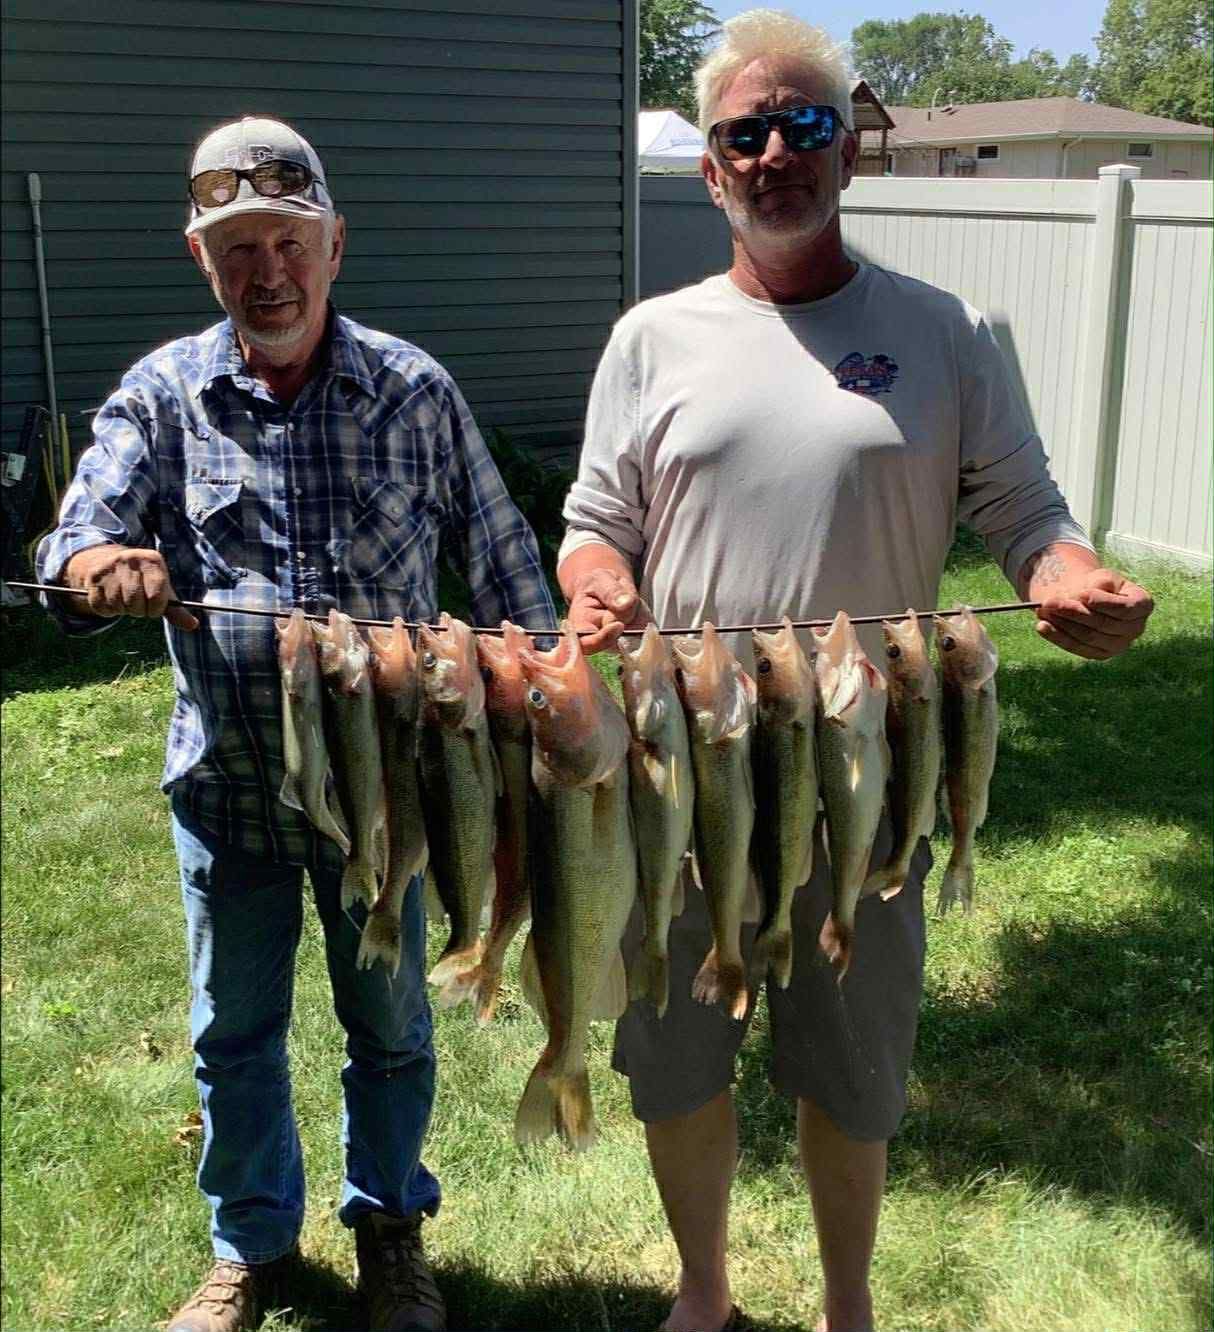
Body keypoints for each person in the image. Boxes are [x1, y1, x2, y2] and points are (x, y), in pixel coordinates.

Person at [558, 12, 1153, 1332]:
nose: (776, 152)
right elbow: (597, 523)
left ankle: (844, 1305)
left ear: (848, 148)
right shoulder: (650, 340)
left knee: (852, 1068)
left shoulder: (945, 331)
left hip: (870, 772)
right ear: (711, 170)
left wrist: (1060, 569)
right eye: (745, 134)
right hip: (686, 769)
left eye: (805, 125)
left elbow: (1021, 506)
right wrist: (597, 584)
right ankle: (702, 1294)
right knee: (673, 1057)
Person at [36, 116, 556, 1332]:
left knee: (389, 1024)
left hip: (392, 802)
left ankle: (389, 1232)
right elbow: (70, 546)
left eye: (285, 241)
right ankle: (251, 1249)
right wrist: (99, 560)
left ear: (333, 245)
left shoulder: (414, 391)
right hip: (229, 790)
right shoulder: (164, 395)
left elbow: (504, 569)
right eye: (234, 251)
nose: (263, 272)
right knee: (234, 1035)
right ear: (199, 258)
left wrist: (555, 687)